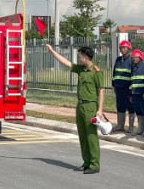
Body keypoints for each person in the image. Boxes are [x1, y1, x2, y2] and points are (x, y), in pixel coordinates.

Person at [45, 44, 105, 174]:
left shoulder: (96, 72)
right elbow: (66, 63)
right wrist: (52, 52)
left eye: (80, 56)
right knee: (82, 135)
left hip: (90, 106)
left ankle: (94, 164)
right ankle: (87, 162)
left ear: (85, 57)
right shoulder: (81, 69)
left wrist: (100, 110)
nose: (78, 58)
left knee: (91, 135)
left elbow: (101, 91)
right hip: (80, 105)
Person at [112, 40, 135, 132]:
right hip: (119, 87)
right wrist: (113, 85)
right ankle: (120, 125)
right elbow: (114, 73)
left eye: (124, 47)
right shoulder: (118, 60)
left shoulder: (132, 61)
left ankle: (131, 127)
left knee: (130, 107)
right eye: (121, 48)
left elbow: (134, 75)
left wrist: (132, 90)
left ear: (129, 48)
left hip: (128, 88)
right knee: (120, 106)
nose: (122, 49)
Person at [129, 49, 144, 137]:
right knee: (138, 110)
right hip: (135, 93)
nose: (134, 59)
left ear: (140, 58)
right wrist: (131, 94)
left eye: (136, 57)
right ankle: (140, 129)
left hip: (142, 93)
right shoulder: (133, 67)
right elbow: (132, 81)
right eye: (133, 57)